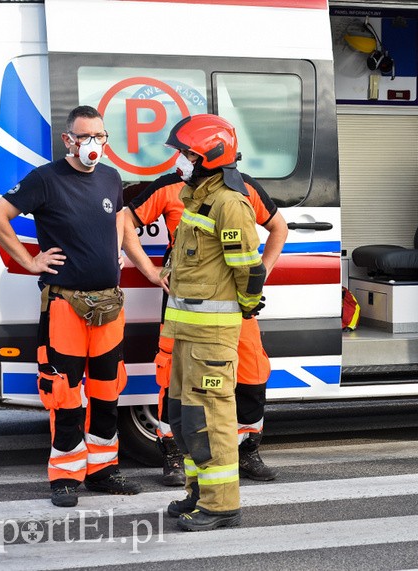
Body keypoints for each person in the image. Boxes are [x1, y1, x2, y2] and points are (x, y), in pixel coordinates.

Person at [0, 105, 141, 507]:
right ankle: (66, 476)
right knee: (65, 392)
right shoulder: (46, 179)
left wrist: (121, 250)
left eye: (100, 136)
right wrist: (29, 260)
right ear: (68, 139)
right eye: (85, 136)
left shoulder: (110, 176)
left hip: (108, 306)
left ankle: (103, 470)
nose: (94, 145)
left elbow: (120, 217)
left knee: (108, 391)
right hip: (64, 307)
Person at [122, 167, 287, 486]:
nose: (183, 158)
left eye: (189, 150)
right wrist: (152, 272)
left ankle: (247, 450)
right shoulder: (171, 186)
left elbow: (278, 227)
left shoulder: (243, 187)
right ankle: (173, 453)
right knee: (175, 375)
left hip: (238, 300)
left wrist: (260, 275)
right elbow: (124, 221)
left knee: (251, 372)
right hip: (186, 302)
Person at [158, 114, 266, 531]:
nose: (179, 160)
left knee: (212, 420)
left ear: (209, 155)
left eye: (184, 153)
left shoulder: (229, 203)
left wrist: (246, 304)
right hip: (186, 335)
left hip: (212, 338)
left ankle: (221, 504)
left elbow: (249, 270)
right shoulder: (197, 197)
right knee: (186, 419)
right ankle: (197, 493)